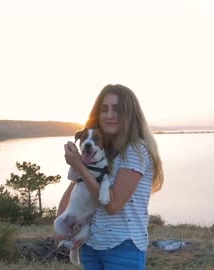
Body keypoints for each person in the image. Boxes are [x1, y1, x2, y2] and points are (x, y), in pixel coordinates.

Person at [57, 84, 164, 269]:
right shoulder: (99, 151)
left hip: (123, 247)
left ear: (130, 114)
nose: (109, 115)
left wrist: (79, 166)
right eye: (104, 109)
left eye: (117, 109)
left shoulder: (136, 150)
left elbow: (113, 205)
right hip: (91, 245)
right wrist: (61, 225)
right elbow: (76, 185)